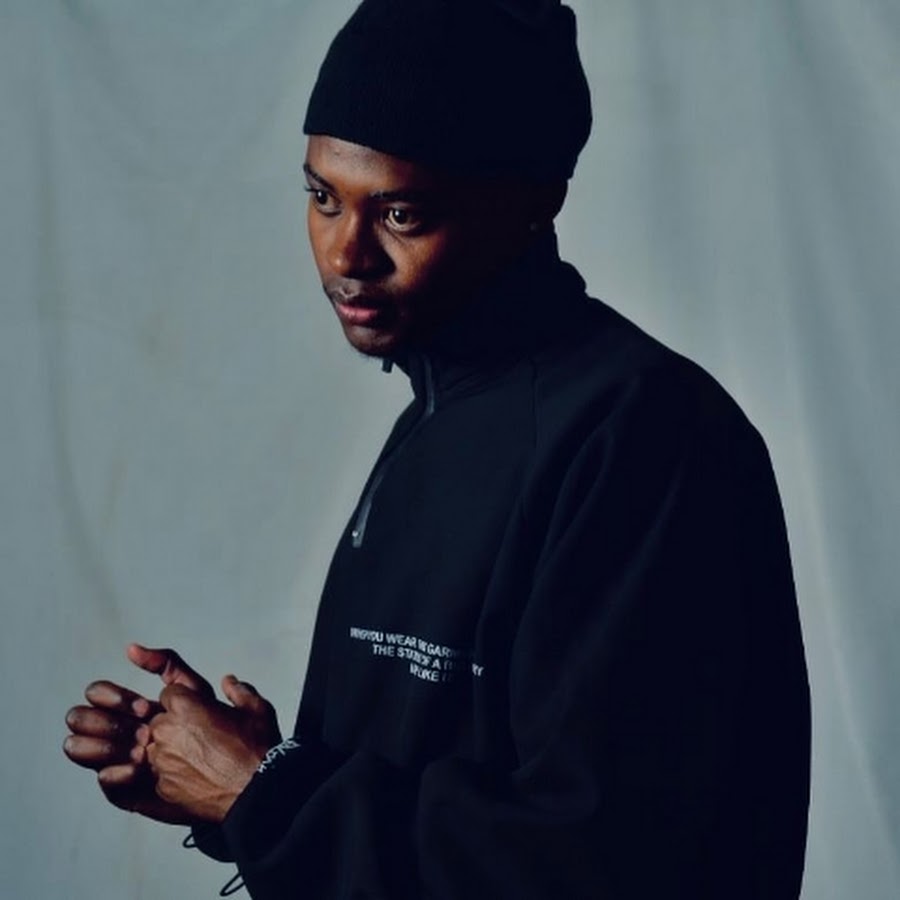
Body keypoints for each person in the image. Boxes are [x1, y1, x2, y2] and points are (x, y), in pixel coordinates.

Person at [63, 1, 810, 897]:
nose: (346, 254)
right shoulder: (437, 415)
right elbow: (433, 781)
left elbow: (600, 863)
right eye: (322, 197)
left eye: (402, 213)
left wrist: (264, 794)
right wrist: (242, 788)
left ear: (534, 202)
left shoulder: (648, 439)